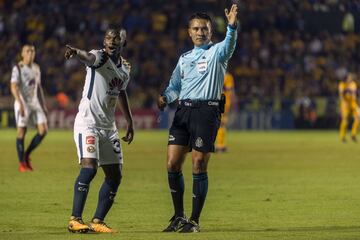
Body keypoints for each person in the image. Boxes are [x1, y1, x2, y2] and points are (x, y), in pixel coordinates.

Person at [157, 4, 238, 233]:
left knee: (198, 164)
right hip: (183, 112)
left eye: (204, 29)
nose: (200, 32)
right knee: (172, 162)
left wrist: (232, 27)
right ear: (189, 32)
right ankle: (178, 216)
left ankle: (194, 220)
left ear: (211, 32)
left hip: (207, 112)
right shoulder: (184, 59)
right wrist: (165, 97)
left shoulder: (218, 53)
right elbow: (175, 86)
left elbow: (230, 44)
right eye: (196, 28)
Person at [65, 26, 134, 233]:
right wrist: (76, 52)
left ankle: (97, 221)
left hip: (108, 127)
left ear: (124, 43)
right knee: (90, 167)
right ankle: (75, 219)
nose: (112, 42)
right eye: (108, 38)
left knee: (115, 175)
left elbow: (121, 92)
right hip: (88, 123)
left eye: (117, 39)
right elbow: (87, 57)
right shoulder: (99, 57)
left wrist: (129, 121)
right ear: (104, 41)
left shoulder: (126, 67)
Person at [10, 44, 48, 172]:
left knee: (43, 130)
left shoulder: (37, 68)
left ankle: (26, 154)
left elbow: (39, 88)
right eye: (27, 51)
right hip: (23, 102)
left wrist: (43, 105)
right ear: (22, 54)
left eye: (32, 51)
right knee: (22, 131)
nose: (30, 53)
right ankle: (22, 163)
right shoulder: (18, 68)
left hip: (35, 102)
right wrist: (19, 102)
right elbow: (13, 86)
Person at [215, 72, 235, 152]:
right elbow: (229, 90)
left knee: (221, 124)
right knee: (221, 124)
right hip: (224, 102)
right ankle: (220, 145)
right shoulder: (227, 76)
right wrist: (233, 102)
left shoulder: (214, 74)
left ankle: (221, 144)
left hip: (215, 102)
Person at [338, 73, 360, 142]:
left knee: (358, 117)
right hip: (345, 104)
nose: (350, 78)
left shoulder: (353, 84)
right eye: (349, 77)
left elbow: (354, 95)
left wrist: (357, 104)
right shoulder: (342, 84)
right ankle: (342, 137)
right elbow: (341, 95)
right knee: (345, 121)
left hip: (353, 103)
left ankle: (353, 134)